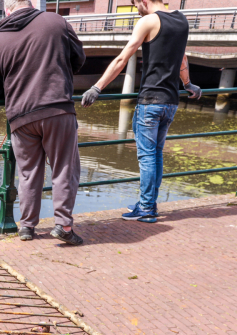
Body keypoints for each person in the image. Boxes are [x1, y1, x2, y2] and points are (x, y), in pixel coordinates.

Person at [82, 0, 201, 223]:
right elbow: (182, 57)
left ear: (144, 1)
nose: (136, 8)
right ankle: (149, 203)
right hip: (171, 101)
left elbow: (122, 58)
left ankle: (146, 208)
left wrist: (97, 87)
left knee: (147, 157)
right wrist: (187, 84)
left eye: (136, 3)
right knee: (156, 154)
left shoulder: (148, 21)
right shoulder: (181, 20)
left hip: (150, 101)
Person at [0, 0, 86, 245]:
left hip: (20, 116)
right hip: (57, 109)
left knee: (28, 173)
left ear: (7, 10)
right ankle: (63, 225)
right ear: (30, 4)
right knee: (64, 168)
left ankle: (26, 226)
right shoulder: (56, 22)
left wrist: (12, 95)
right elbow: (79, 58)